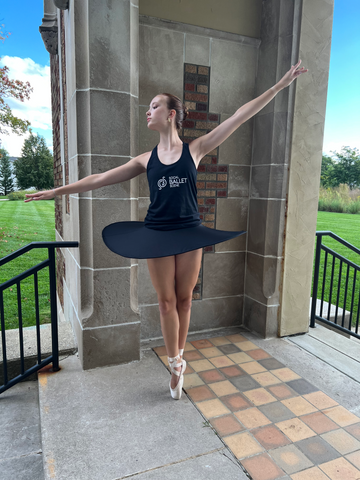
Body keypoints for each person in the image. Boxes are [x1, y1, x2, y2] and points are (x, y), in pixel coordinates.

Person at [25, 60, 308, 400]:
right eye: (148, 107)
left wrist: (279, 86)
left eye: (155, 106)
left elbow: (238, 117)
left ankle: (179, 359)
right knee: (165, 301)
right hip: (157, 233)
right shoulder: (146, 159)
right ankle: (174, 361)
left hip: (189, 232)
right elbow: (99, 179)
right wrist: (58, 190)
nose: (149, 111)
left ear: (172, 114)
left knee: (185, 299)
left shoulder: (195, 149)